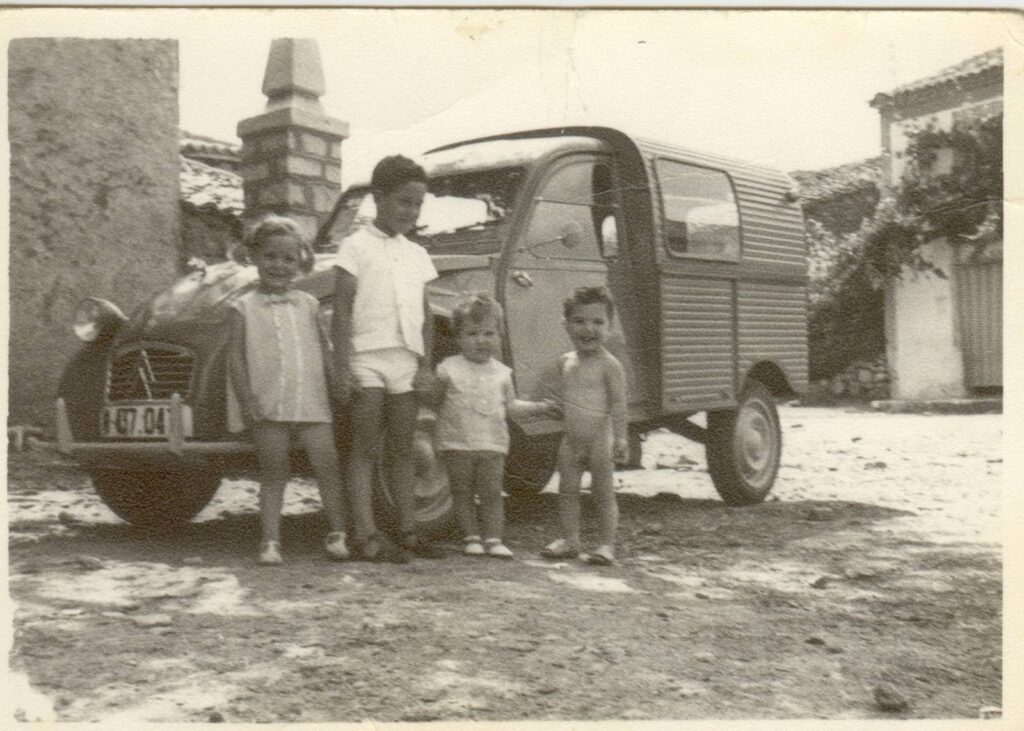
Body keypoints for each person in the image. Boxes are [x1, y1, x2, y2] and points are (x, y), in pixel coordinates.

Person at [331, 155, 441, 563]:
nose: (411, 212)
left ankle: (408, 530)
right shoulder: (355, 246)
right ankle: (366, 534)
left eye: (417, 205)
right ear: (379, 198)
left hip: (405, 362)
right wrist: (341, 367)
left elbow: (426, 315)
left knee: (402, 448)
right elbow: (341, 311)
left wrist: (425, 365)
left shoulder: (417, 254)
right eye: (403, 202)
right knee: (363, 447)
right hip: (366, 358)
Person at [227, 215, 349, 566]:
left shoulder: (309, 305)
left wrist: (336, 380)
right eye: (270, 256)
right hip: (268, 402)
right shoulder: (242, 308)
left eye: (288, 259)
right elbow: (235, 358)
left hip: (311, 399)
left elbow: (324, 348)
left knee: (326, 465)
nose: (279, 265)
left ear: (301, 262)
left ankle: (338, 533)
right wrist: (247, 398)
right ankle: (270, 540)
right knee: (273, 470)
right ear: (254, 256)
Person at [434, 294, 555, 559]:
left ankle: (494, 538)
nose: (481, 340)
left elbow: (511, 406)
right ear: (458, 338)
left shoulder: (501, 372)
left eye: (489, 333)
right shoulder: (448, 368)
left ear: (499, 337)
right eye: (472, 333)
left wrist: (538, 407)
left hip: (492, 442)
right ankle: (471, 537)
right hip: (458, 442)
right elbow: (434, 401)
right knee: (462, 492)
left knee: (491, 492)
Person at [538, 286, 628, 566]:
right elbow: (562, 395)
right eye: (579, 321)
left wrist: (621, 438)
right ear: (566, 325)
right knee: (566, 490)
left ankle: (606, 544)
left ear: (610, 327)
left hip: (600, 439)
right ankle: (570, 539)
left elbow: (618, 404)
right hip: (571, 439)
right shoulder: (565, 361)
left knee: (603, 492)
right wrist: (552, 407)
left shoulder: (609, 365)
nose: (589, 328)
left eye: (598, 322)